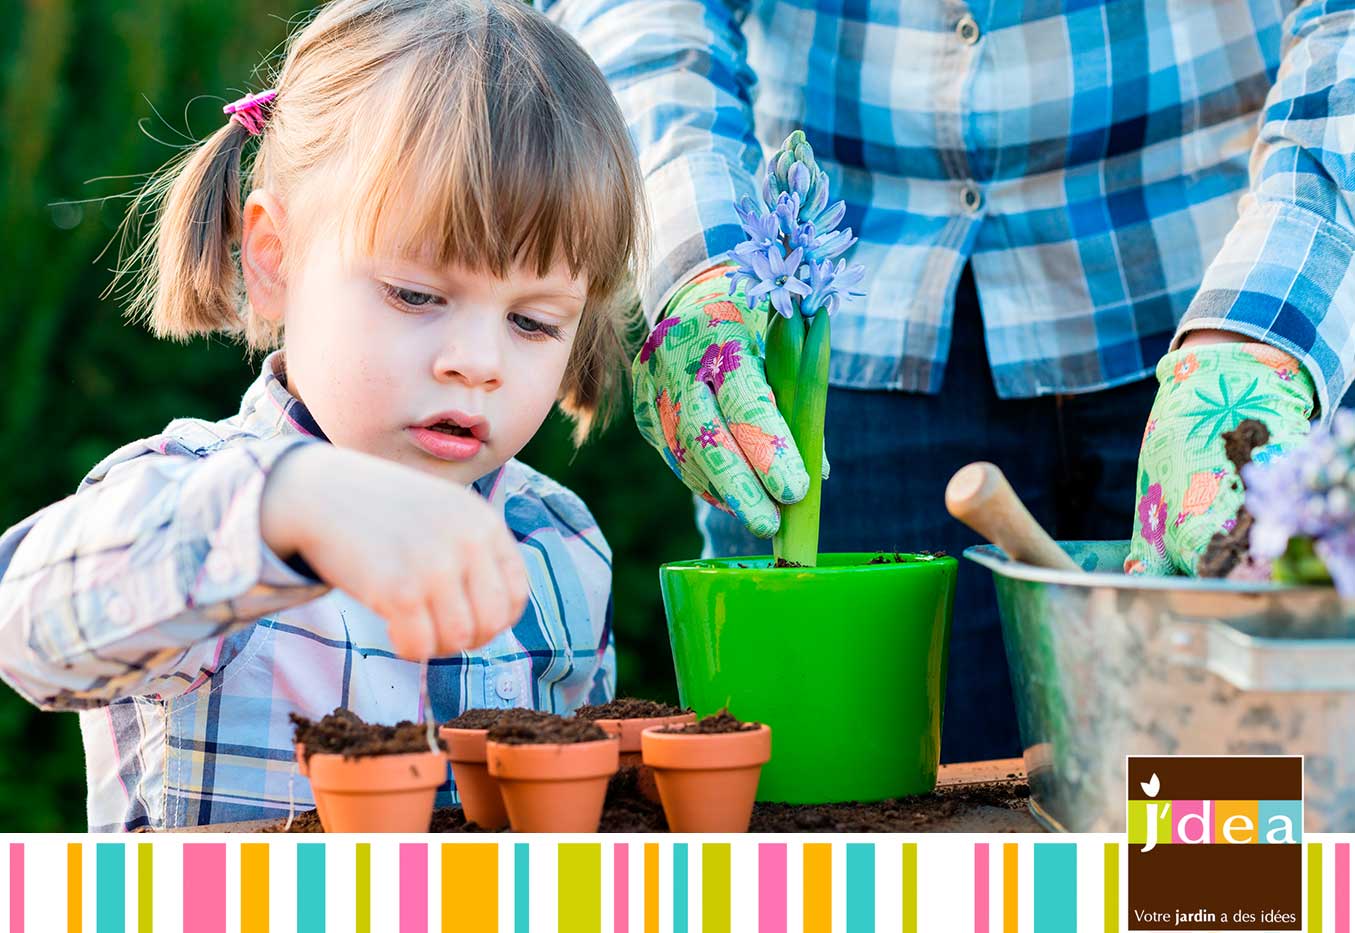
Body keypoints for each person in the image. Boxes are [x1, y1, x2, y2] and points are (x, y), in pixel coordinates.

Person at [544, 1, 1351, 763]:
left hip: (1229, 298)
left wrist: (1261, 338)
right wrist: (691, 260)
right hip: (838, 335)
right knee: (850, 847)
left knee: (1224, 870)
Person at [0, 0, 644, 831]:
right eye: (416, 294)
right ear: (274, 260)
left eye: (532, 321)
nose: (477, 361)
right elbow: (28, 624)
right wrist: (285, 506)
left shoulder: (557, 547)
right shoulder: (200, 495)